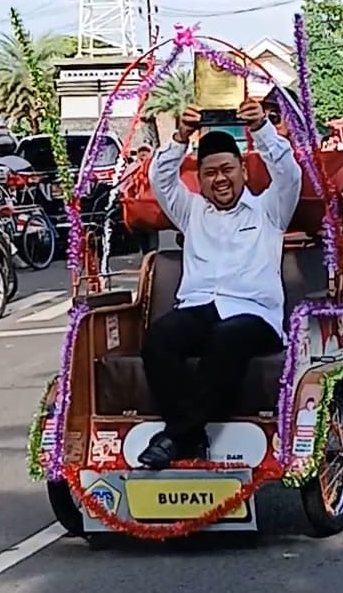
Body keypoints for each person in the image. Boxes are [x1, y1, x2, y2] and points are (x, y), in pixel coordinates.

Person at [136, 99, 302, 468]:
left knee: (226, 338)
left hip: (254, 316)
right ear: (201, 179)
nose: (220, 179)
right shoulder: (191, 210)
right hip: (199, 309)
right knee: (160, 338)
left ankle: (174, 437)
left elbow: (289, 174)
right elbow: (160, 178)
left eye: (227, 169)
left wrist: (262, 128)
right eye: (210, 173)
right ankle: (190, 435)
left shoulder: (269, 209)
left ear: (243, 169)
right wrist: (181, 136)